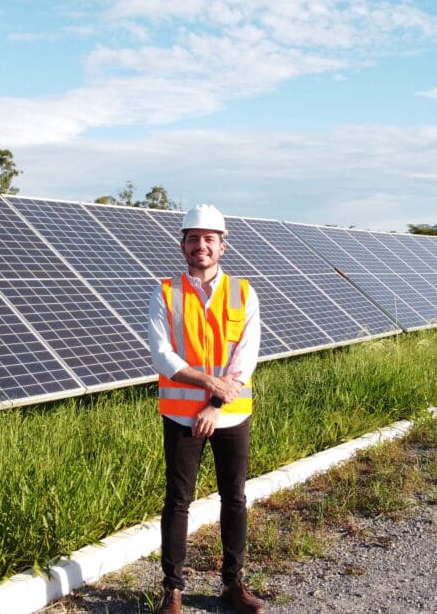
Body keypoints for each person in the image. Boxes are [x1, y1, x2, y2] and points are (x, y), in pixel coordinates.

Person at [148, 204, 264, 614]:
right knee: (178, 500)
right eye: (193, 238)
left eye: (209, 239)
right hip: (181, 416)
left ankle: (233, 584)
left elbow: (245, 359)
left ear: (222, 246)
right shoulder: (165, 292)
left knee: (234, 498)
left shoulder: (244, 292)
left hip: (230, 414)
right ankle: (172, 591)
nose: (201, 245)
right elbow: (161, 355)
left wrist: (215, 402)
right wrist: (206, 383)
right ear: (182, 245)